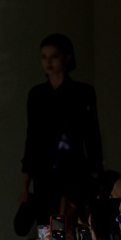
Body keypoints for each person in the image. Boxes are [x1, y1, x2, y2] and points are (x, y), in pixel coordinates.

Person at [19, 33, 103, 229]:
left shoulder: (82, 92)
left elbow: (92, 135)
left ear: (67, 57)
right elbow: (32, 139)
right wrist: (24, 186)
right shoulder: (37, 95)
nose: (48, 62)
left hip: (74, 170)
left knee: (74, 222)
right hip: (44, 173)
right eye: (44, 57)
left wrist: (97, 177)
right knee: (48, 225)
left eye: (54, 56)